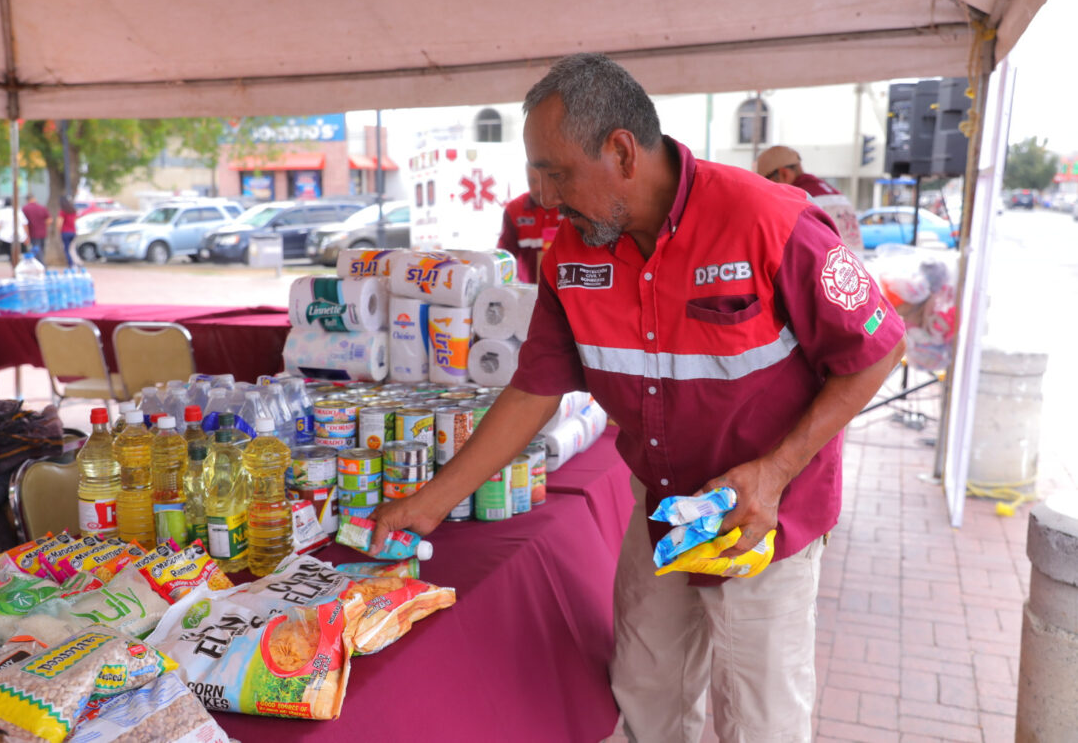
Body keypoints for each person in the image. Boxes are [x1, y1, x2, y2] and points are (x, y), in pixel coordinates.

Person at [369, 53, 905, 742]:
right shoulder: (571, 253)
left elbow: (878, 349)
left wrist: (773, 472)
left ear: (621, 151)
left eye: (557, 172)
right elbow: (536, 387)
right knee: (645, 694)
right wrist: (430, 501)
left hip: (764, 522)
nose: (545, 198)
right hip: (661, 514)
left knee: (761, 719)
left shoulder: (768, 221)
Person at [756, 145, 865, 251]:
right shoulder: (836, 194)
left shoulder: (796, 198)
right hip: (855, 264)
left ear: (784, 174)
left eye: (767, 180)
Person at [497, 166, 565, 283]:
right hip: (528, 292)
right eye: (532, 181)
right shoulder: (514, 210)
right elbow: (504, 256)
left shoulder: (570, 207)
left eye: (543, 180)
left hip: (565, 290)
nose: (538, 188)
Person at [22, 193, 50, 262]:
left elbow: (23, 223)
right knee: (41, 249)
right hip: (43, 232)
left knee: (36, 250)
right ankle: (40, 263)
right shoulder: (42, 207)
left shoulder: (25, 208)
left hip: (33, 233)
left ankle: (41, 264)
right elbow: (49, 220)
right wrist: (43, 226)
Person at [58, 196, 77, 265]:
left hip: (65, 232)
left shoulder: (62, 211)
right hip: (73, 232)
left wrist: (59, 231)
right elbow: (75, 221)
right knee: (72, 249)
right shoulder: (73, 210)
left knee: (66, 249)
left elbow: (59, 223)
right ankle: (76, 261)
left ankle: (71, 263)